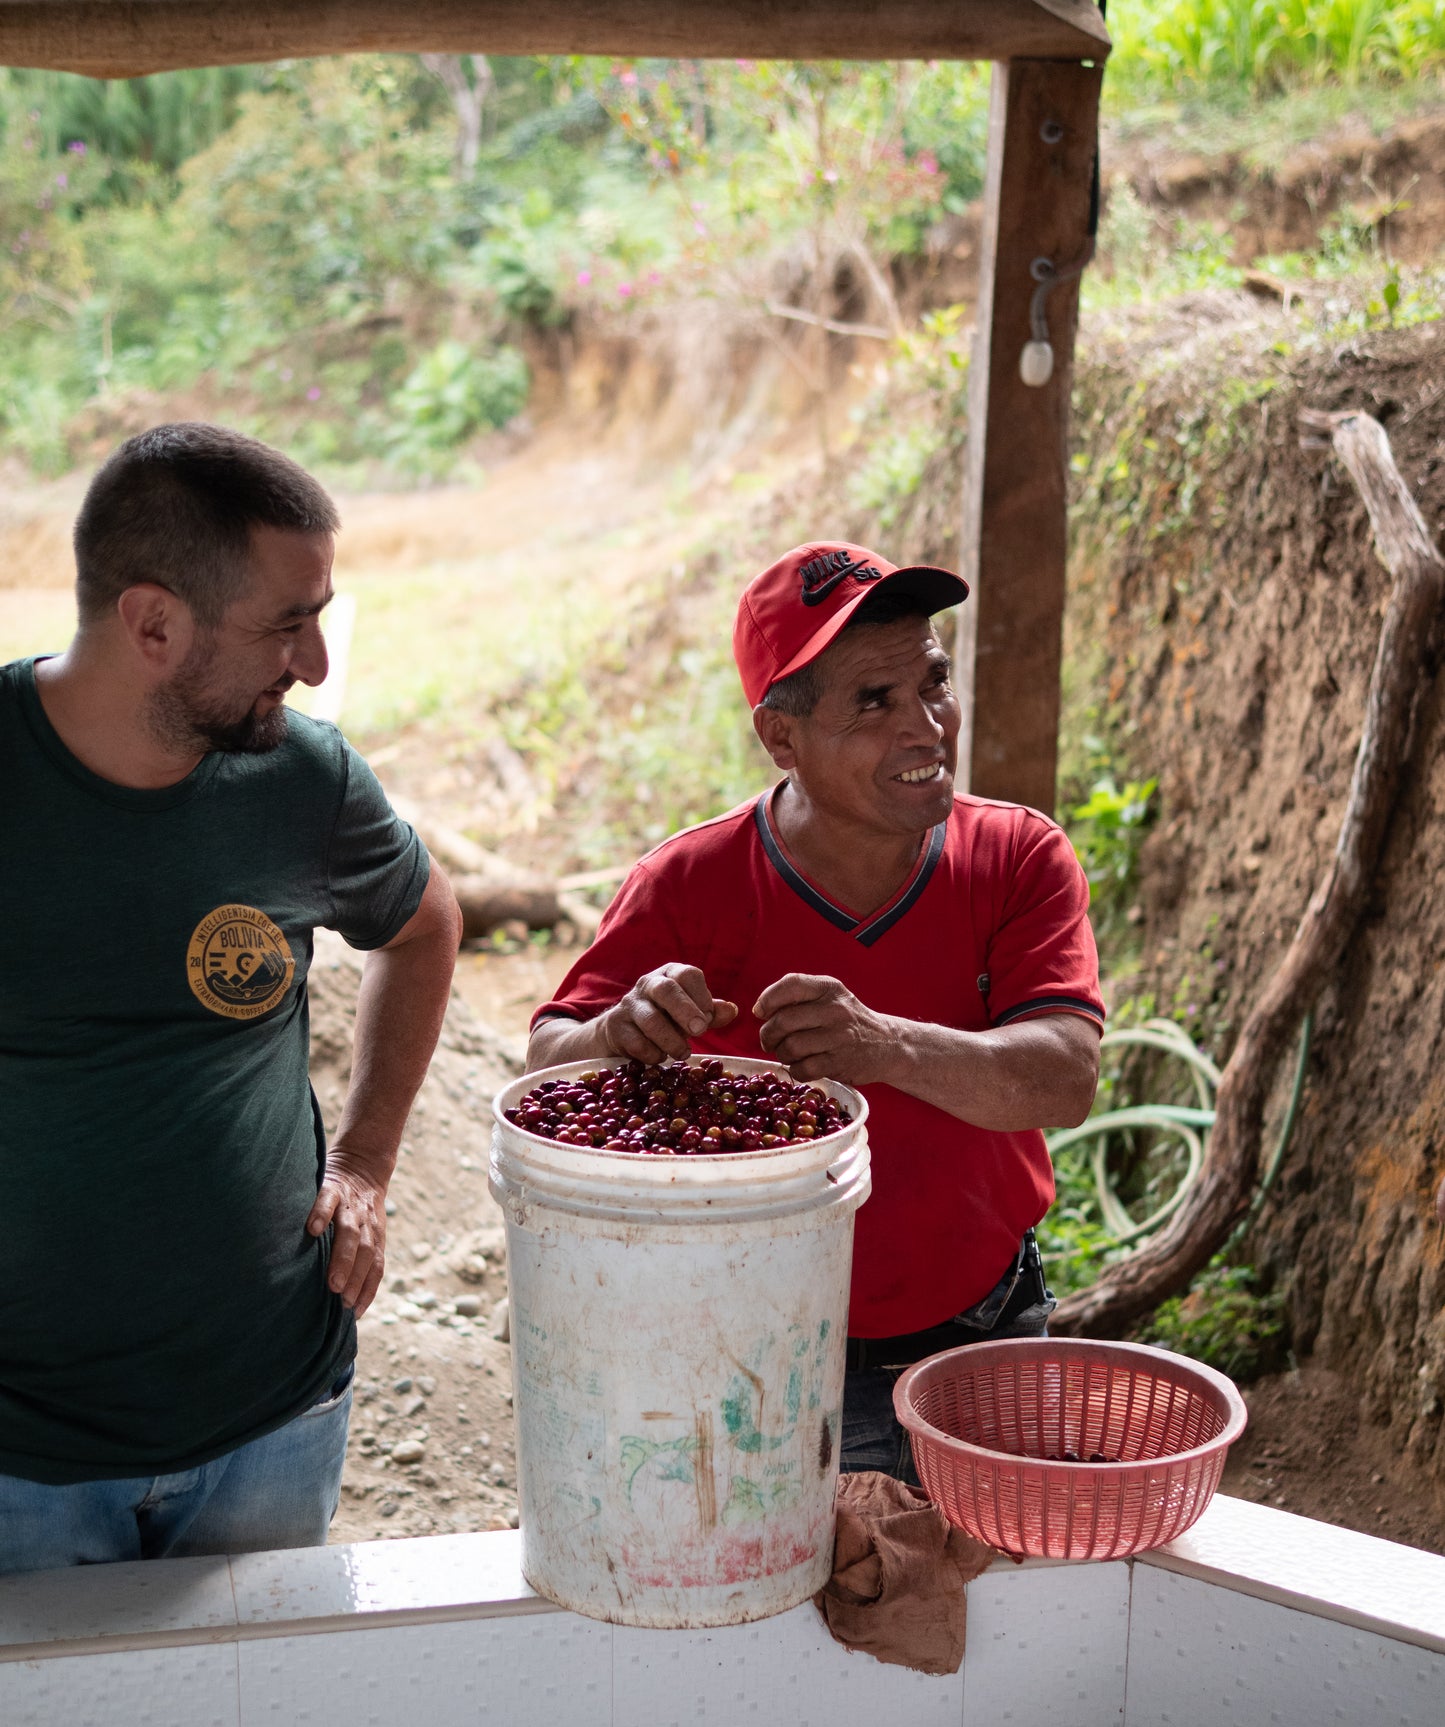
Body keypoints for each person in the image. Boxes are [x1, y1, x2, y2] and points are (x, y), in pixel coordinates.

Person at [527, 541, 1103, 1479]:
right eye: (872, 704)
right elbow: (547, 1062)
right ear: (780, 739)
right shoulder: (687, 885)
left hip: (978, 1338)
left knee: (984, 1610)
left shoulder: (1017, 858)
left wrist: (885, 1045)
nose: (926, 727)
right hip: (748, 1361)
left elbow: (1063, 1079)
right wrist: (616, 1033)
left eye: (933, 682)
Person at [0, 423, 462, 1576]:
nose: (312, 661)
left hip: (275, 1414)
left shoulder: (300, 779)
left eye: (320, 614)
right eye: (283, 624)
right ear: (152, 623)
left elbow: (422, 925)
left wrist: (362, 1162)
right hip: (23, 1455)